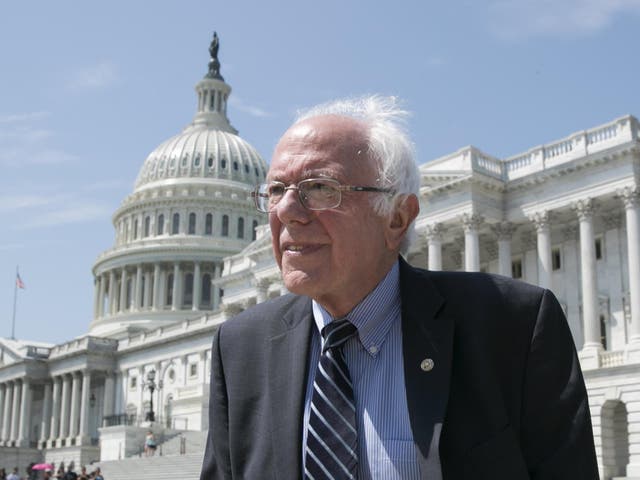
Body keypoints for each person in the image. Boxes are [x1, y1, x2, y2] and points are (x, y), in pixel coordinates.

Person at [199, 95, 599, 479]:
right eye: (275, 190)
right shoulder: (239, 348)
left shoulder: (514, 329)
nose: (286, 210)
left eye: (321, 188)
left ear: (397, 219)